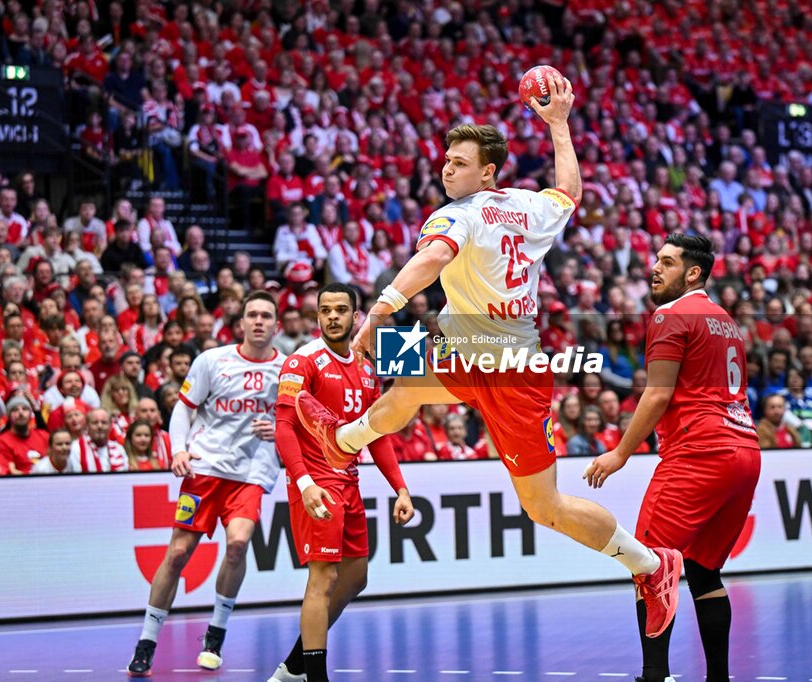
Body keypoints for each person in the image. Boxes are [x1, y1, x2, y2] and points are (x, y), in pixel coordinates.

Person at [295, 79, 680, 642]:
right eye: (446, 161)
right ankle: (343, 440)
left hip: (511, 371)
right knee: (402, 383)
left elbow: (431, 260)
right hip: (470, 344)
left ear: (488, 172)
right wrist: (559, 124)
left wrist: (381, 308)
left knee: (543, 508)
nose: (447, 170)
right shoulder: (526, 206)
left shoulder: (461, 215)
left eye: (459, 163)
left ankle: (649, 565)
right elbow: (568, 190)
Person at [584, 234, 761, 682]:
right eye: (656, 259)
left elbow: (658, 393)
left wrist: (620, 453)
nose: (655, 268)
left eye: (667, 261)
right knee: (704, 570)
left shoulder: (670, 314)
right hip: (745, 449)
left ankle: (654, 675)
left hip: (700, 450)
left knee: (649, 563)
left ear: (693, 273)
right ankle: (718, 678)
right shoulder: (725, 320)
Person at [127, 291, 284, 677]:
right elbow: (184, 407)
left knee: (238, 543)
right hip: (206, 470)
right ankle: (147, 641)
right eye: (252, 315)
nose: (259, 321)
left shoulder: (290, 370)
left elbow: (303, 421)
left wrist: (278, 429)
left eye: (266, 315)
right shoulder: (212, 360)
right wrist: (177, 450)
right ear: (241, 323)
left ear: (277, 325)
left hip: (251, 473)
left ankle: (215, 636)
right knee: (179, 553)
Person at [270, 282, 414, 682]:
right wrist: (303, 483)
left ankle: (293, 667)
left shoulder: (368, 368)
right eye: (325, 310)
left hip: (349, 481)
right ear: (317, 316)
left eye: (340, 310)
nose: (332, 316)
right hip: (316, 482)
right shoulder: (303, 361)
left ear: (356, 317)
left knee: (357, 575)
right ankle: (314, 676)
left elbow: (378, 433)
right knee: (324, 576)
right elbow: (283, 428)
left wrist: (399, 487)